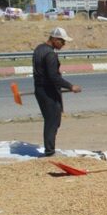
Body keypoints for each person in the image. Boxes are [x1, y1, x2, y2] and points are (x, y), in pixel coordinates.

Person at [31, 27, 82, 156]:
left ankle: (49, 149)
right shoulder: (50, 54)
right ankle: (49, 152)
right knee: (52, 121)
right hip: (48, 91)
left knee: (52, 120)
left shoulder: (38, 49)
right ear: (54, 39)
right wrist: (71, 86)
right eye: (62, 41)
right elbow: (54, 77)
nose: (63, 44)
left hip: (40, 90)